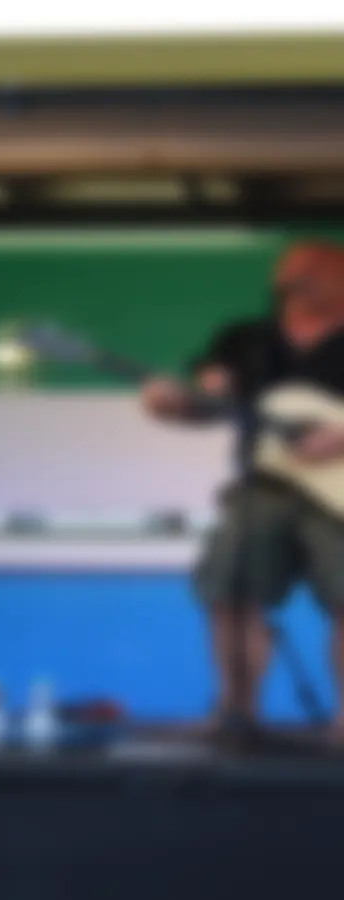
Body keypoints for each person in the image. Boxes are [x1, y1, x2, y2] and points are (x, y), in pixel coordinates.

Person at [141, 241, 344, 744]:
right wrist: (175, 408)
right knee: (230, 592)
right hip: (265, 485)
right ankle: (236, 711)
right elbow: (215, 406)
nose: (302, 275)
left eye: (318, 266)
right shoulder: (244, 339)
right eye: (292, 268)